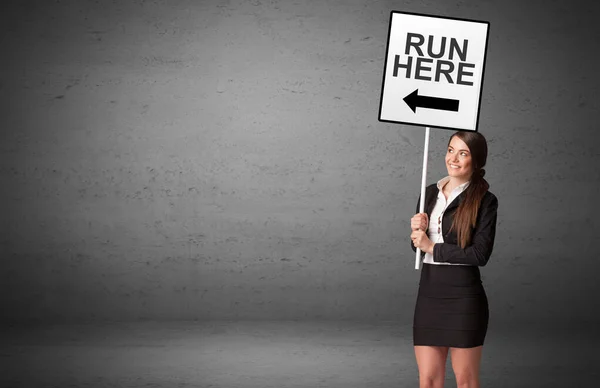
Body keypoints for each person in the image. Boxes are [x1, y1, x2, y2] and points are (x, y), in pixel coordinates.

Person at [409, 131, 498, 388]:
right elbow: (418, 248)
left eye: (463, 153)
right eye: (450, 150)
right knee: (428, 380)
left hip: (464, 296)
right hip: (429, 292)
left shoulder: (485, 200)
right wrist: (417, 232)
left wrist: (433, 247)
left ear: (477, 160)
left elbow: (480, 254)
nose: (454, 158)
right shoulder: (429, 192)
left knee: (466, 381)